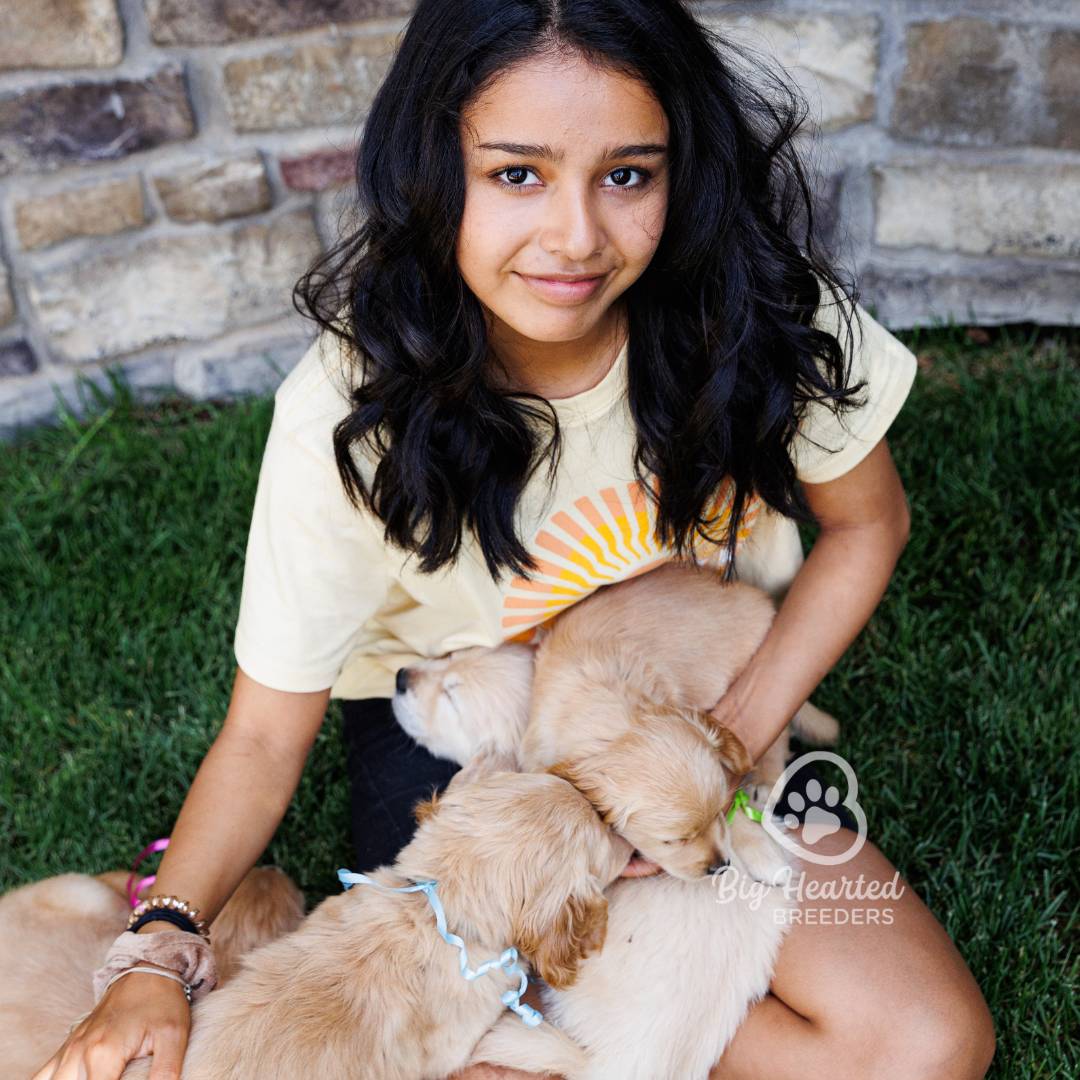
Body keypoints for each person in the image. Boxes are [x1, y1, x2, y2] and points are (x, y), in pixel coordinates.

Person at [35, 2, 996, 1078]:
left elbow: (870, 526)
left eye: (628, 174)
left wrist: (722, 742)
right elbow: (263, 740)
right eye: (517, 175)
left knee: (926, 1046)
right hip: (461, 744)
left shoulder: (762, 308)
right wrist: (158, 950)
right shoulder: (346, 411)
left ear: (686, 168)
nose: (577, 236)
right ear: (434, 169)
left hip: (669, 706)